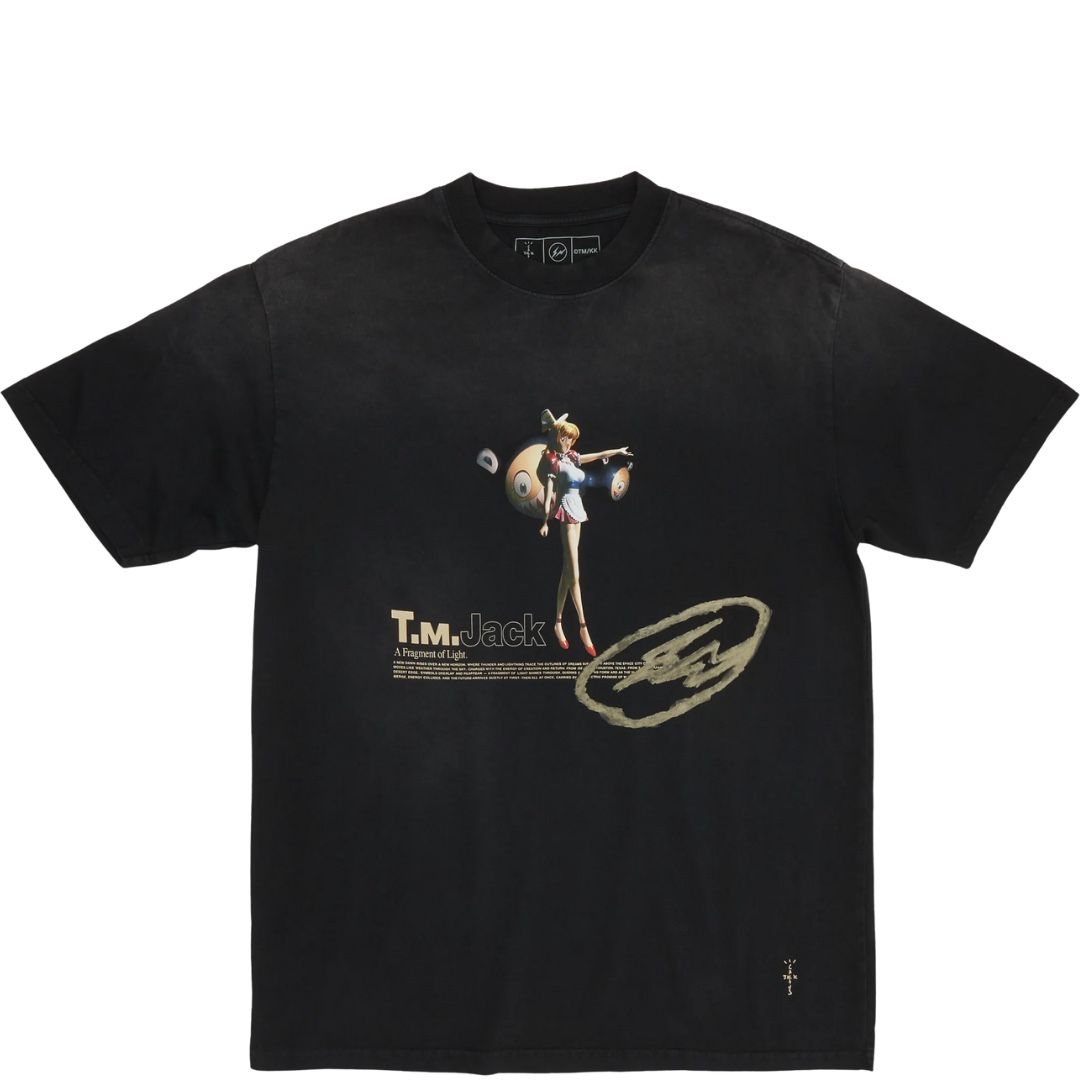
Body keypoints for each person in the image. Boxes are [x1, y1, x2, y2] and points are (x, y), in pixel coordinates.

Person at [536, 408, 631, 657]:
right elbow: (549, 493)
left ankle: (557, 623)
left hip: (578, 511)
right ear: (557, 437)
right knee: (575, 574)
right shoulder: (553, 461)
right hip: (566, 511)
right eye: (565, 437)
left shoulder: (572, 458)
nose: (568, 442)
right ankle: (582, 626)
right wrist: (545, 521)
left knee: (567, 572)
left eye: (571, 438)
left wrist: (617, 451)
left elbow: (597, 456)